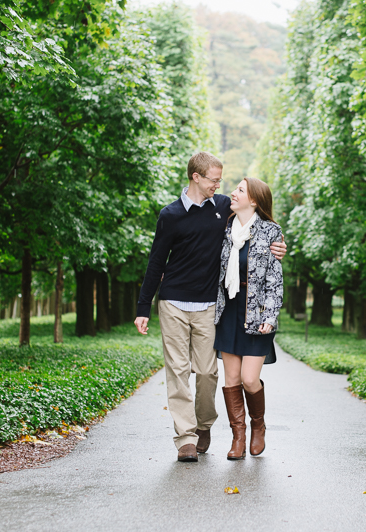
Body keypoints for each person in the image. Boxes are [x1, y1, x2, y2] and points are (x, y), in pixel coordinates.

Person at [134, 152, 286, 463]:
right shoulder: (171, 215)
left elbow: (259, 233)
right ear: (196, 177)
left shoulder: (223, 211)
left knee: (207, 373)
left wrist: (279, 247)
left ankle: (205, 425)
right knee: (177, 371)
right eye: (214, 180)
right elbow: (155, 263)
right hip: (173, 301)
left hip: (208, 306)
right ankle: (187, 438)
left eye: (222, 180)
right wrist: (143, 307)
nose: (220, 185)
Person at [213, 178, 283, 460]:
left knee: (249, 379)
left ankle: (258, 425)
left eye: (240, 190)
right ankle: (238, 437)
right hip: (229, 310)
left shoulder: (270, 231)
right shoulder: (225, 228)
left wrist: (269, 315)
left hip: (256, 313)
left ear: (254, 200)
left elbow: (275, 282)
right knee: (231, 379)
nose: (233, 192)